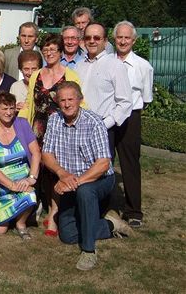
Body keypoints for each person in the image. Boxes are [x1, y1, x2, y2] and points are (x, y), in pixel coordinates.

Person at [41, 81, 132, 271]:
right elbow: (46, 155)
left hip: (98, 180)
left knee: (84, 192)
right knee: (67, 235)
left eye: (70, 99)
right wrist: (62, 174)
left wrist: (74, 182)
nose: (66, 104)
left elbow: (103, 164)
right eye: (62, 100)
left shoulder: (94, 122)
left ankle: (89, 251)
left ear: (80, 100)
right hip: (69, 179)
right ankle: (109, 225)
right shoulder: (54, 120)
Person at [19, 33, 83, 236]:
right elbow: (30, 103)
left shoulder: (70, 75)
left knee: (56, 170)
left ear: (61, 51)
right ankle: (39, 206)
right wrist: (18, 124)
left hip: (60, 130)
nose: (49, 53)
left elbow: (78, 101)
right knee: (40, 170)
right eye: (45, 50)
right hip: (38, 128)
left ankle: (54, 214)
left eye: (53, 49)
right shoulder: (37, 74)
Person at [0, 92, 41, 239]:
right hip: (0, 183)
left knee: (30, 195)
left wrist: (31, 178)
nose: (9, 113)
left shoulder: (22, 124)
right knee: (0, 230)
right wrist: (11, 185)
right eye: (4, 109)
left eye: (11, 108)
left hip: (22, 181)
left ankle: (21, 223)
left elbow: (36, 153)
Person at [113, 21, 153, 228]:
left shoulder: (143, 66)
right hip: (109, 117)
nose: (123, 41)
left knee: (130, 164)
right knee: (103, 162)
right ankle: (105, 207)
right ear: (114, 39)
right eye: (119, 37)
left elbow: (145, 97)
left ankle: (133, 210)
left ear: (134, 40)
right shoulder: (108, 62)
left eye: (127, 37)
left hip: (131, 117)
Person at [75, 23, 132, 157]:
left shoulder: (115, 65)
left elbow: (125, 102)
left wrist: (104, 125)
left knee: (102, 174)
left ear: (105, 41)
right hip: (78, 127)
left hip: (103, 128)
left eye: (97, 38)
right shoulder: (79, 66)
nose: (92, 41)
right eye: (88, 38)